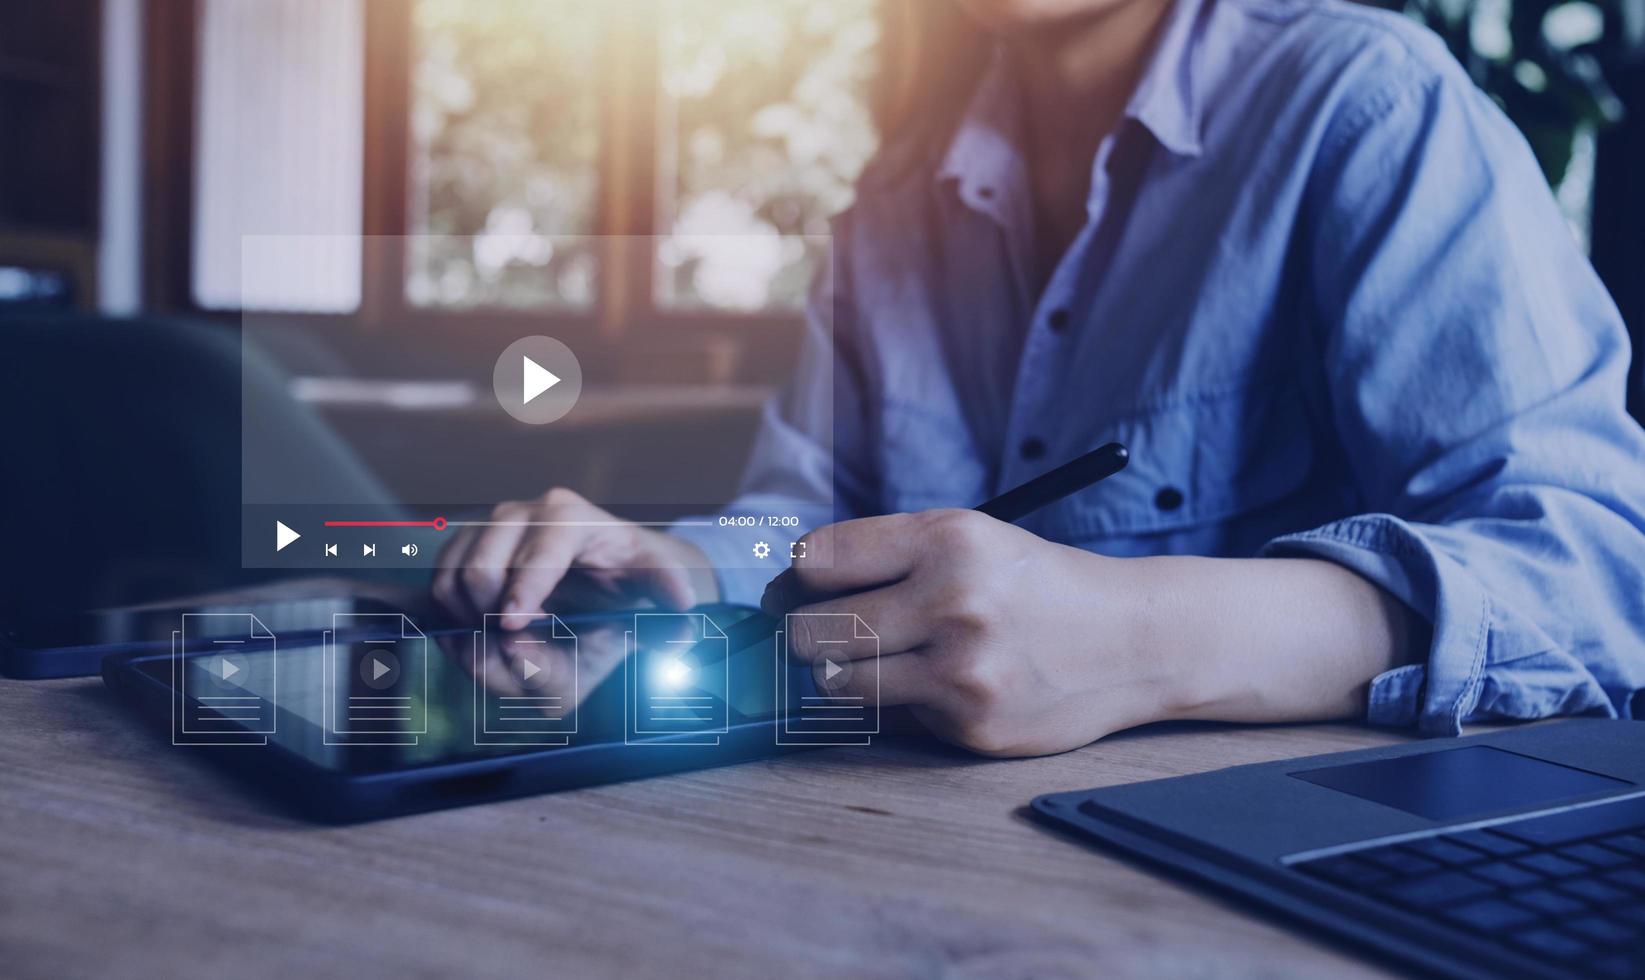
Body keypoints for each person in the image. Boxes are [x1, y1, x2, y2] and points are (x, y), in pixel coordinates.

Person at [434, 0, 1645, 756]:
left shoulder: (1367, 106)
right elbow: (805, 523)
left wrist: (1141, 632)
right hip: (929, 866)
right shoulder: (893, 205)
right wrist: (681, 567)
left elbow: (1597, 574)